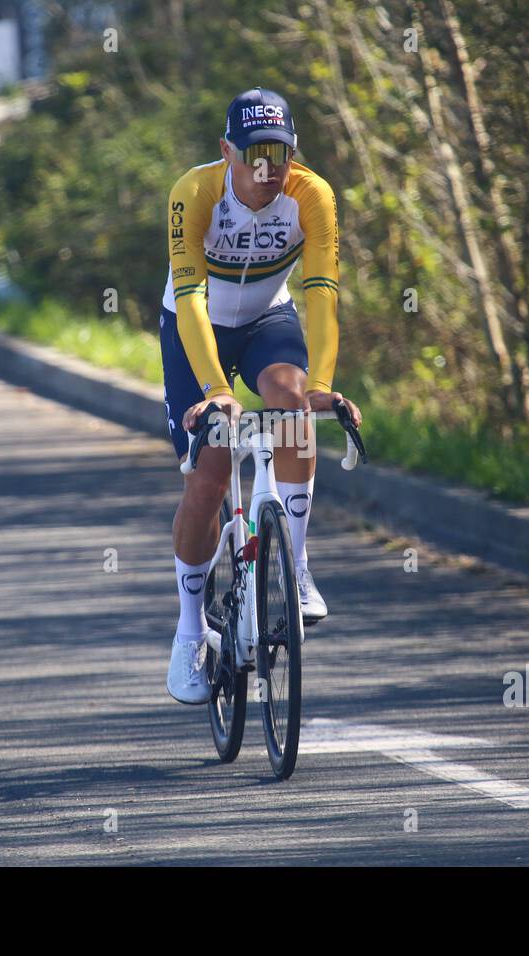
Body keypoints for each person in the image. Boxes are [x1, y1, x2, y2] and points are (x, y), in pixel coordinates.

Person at [160, 87, 362, 704]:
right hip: (196, 329)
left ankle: (295, 570)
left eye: (280, 154)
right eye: (253, 155)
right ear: (227, 151)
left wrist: (323, 384)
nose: (267, 170)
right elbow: (192, 299)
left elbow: (322, 291)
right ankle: (191, 629)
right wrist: (218, 392)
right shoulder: (193, 194)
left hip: (268, 320)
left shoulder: (312, 196)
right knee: (211, 473)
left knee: (293, 405)